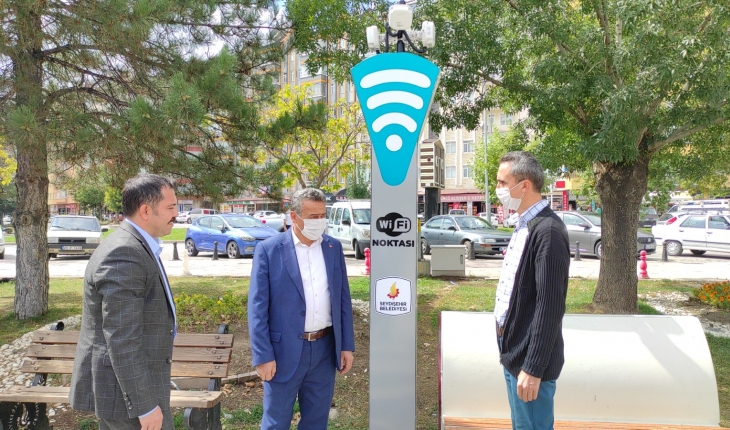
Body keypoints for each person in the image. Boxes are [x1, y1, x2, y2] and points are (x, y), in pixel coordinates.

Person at [70, 174, 179, 430]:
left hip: (128, 389)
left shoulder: (136, 245)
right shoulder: (125, 253)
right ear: (145, 211)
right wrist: (145, 406)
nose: (177, 214)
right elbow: (122, 338)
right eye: (171, 207)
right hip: (127, 398)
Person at [248, 188, 355, 429]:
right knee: (276, 423)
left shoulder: (333, 248)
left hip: (324, 350)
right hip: (282, 352)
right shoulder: (269, 250)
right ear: (294, 217)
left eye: (322, 215)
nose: (319, 222)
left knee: (316, 422)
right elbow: (257, 308)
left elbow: (342, 299)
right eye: (313, 216)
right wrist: (263, 356)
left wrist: (346, 345)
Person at [493, 152, 570, 430]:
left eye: (503, 183)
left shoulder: (547, 231)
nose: (498, 189)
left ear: (524, 185)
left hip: (530, 359)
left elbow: (550, 306)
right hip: (513, 349)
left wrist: (533, 367)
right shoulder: (524, 225)